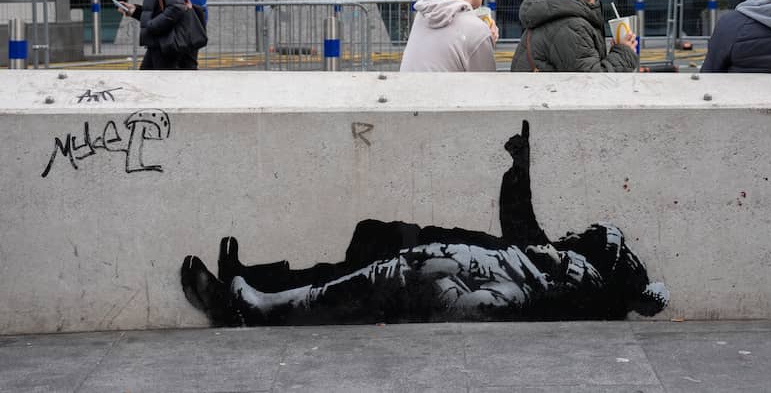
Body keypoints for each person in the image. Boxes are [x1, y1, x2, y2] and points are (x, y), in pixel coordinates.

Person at [180, 121, 669, 326]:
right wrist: (518, 172)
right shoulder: (565, 260)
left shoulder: (588, 274)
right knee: (369, 250)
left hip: (466, 277)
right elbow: (526, 237)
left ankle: (252, 305)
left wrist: (645, 293)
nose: (577, 235)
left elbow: (525, 249)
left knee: (371, 278)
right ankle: (256, 284)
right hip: (464, 262)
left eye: (588, 237)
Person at [510, 0, 638, 72]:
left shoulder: (562, 17)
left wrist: (617, 51)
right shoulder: (570, 25)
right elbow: (594, 83)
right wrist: (624, 53)